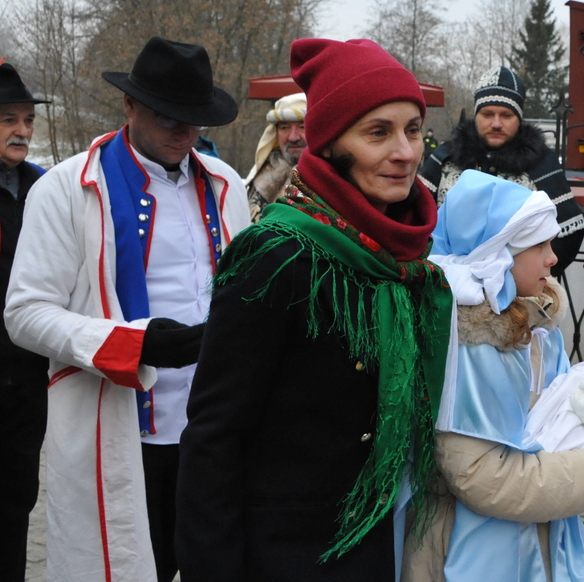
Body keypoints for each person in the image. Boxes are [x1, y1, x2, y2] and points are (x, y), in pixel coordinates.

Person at [176, 38, 451, 581]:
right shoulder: (275, 256)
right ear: (329, 144)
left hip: (373, 541)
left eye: (414, 130)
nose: (405, 151)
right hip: (283, 554)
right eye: (378, 132)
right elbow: (214, 437)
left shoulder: (404, 260)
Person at [4, 37, 250, 582]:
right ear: (129, 105)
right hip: (119, 428)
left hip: (213, 431)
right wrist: (132, 343)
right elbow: (25, 313)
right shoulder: (66, 188)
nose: (183, 133)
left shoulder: (227, 183)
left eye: (194, 120)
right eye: (167, 117)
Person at [405, 170, 584, 582]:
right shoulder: (467, 347)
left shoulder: (537, 327)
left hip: (544, 532)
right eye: (539, 245)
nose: (553, 258)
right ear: (496, 254)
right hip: (472, 546)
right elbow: (484, 479)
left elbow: (566, 419)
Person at [419, 66, 584, 275]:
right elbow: (414, 217)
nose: (496, 123)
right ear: (476, 115)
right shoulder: (444, 159)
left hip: (520, 287)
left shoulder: (543, 163)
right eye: (487, 114)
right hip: (443, 282)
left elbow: (569, 233)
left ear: (519, 118)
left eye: (506, 115)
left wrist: (527, 277)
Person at [0, 62, 49, 582]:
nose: (22, 131)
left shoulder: (42, 189)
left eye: (28, 120)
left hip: (28, 376)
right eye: (9, 119)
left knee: (18, 497)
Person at [243, 92, 307, 221]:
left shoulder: (334, 177)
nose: (293, 137)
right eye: (284, 128)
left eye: (302, 127)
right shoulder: (262, 177)